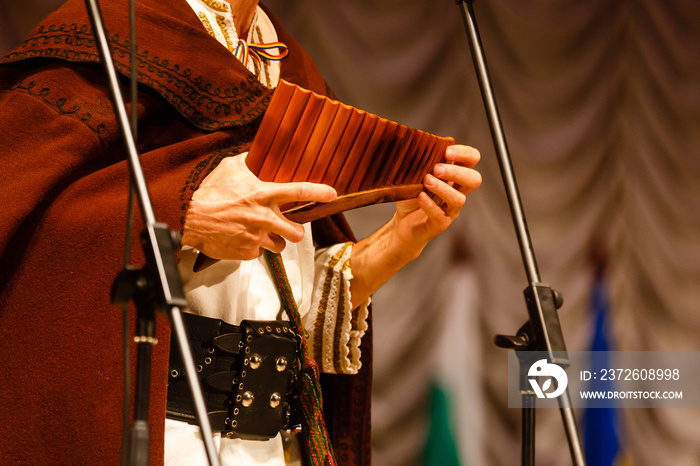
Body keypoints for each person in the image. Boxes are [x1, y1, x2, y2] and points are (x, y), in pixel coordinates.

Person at [0, 0, 481, 464]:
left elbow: (279, 305)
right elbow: (16, 220)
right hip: (149, 438)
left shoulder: (286, 62)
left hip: (269, 447)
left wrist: (397, 242)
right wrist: (181, 215)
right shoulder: (112, 30)